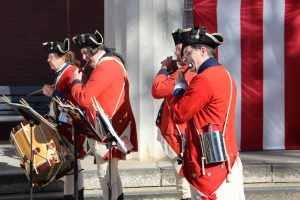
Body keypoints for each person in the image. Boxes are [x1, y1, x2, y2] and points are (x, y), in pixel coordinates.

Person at [170, 27, 245, 199]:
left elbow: (178, 115)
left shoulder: (203, 79)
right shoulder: (224, 73)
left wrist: (179, 88)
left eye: (188, 53)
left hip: (211, 162)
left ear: (203, 51)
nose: (185, 59)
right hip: (226, 157)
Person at [71, 30, 138, 200]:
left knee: (105, 175)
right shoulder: (111, 63)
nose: (85, 58)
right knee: (112, 174)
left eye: (86, 53)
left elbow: (84, 98)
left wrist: (76, 82)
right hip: (110, 126)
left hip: (107, 130)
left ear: (96, 50)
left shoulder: (106, 66)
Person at [152, 28, 194, 200]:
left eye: (179, 50)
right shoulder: (182, 71)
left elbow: (157, 89)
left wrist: (163, 69)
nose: (175, 54)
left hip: (179, 135)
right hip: (176, 133)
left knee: (183, 183)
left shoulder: (184, 72)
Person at [42, 38, 86, 200]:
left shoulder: (71, 71)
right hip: (64, 124)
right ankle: (70, 196)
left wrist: (52, 93)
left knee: (74, 164)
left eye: (51, 57)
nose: (48, 60)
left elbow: (76, 99)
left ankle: (76, 196)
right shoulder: (62, 72)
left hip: (72, 126)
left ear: (62, 58)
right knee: (70, 165)